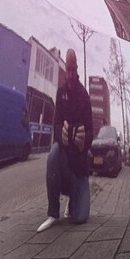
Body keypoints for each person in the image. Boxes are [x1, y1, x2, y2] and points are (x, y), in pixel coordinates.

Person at [37, 49, 93, 233]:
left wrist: (83, 142)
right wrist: (61, 134)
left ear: (77, 69)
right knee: (53, 153)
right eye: (67, 69)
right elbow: (56, 124)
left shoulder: (84, 96)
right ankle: (53, 213)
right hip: (64, 156)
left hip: (79, 163)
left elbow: (91, 132)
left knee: (80, 218)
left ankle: (73, 201)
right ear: (66, 69)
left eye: (73, 70)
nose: (70, 74)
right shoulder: (61, 93)